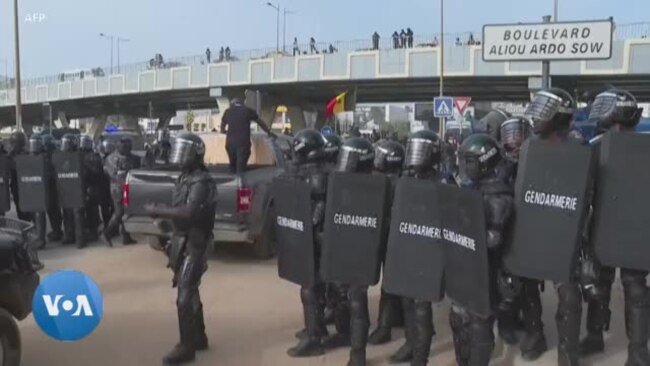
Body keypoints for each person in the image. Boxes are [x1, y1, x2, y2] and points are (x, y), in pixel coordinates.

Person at [580, 89, 650, 365]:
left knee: (633, 289)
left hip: (630, 228)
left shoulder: (604, 146)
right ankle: (600, 338)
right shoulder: (597, 145)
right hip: (610, 227)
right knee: (605, 283)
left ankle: (637, 352)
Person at [524, 88, 585, 366]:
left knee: (569, 296)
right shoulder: (530, 147)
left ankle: (567, 354)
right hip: (535, 229)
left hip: (566, 232)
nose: (537, 117)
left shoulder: (579, 148)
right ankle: (536, 335)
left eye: (544, 109)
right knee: (525, 287)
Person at [144, 133, 216, 364]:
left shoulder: (201, 181)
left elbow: (190, 213)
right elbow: (181, 212)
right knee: (191, 290)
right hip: (182, 242)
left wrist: (159, 210)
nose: (180, 156)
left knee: (184, 296)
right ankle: (199, 336)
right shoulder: (185, 177)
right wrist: (166, 225)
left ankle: (187, 346)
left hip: (196, 243)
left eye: (185, 151)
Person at [451, 133, 514, 366]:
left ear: (484, 161)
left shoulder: (498, 195)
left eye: (469, 161)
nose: (465, 166)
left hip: (490, 273)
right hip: (469, 269)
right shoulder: (475, 188)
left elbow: (492, 240)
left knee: (479, 324)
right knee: (458, 318)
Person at [495, 117, 548, 361]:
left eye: (519, 136)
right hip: (505, 235)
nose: (515, 143)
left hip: (531, 234)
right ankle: (508, 325)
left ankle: (536, 334)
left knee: (529, 288)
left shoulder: (539, 164)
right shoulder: (499, 167)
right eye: (510, 137)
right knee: (505, 286)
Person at [389, 129, 444, 365]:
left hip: (428, 251)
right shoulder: (406, 179)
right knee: (406, 300)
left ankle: (420, 358)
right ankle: (411, 343)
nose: (415, 155)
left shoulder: (443, 182)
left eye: (421, 150)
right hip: (407, 246)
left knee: (421, 307)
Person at [331, 137, 376, 366]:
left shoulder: (376, 188)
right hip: (343, 250)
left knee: (358, 301)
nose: (345, 162)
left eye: (350, 158)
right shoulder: (340, 184)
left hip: (363, 253)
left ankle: (358, 354)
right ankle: (345, 336)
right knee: (342, 297)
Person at [285, 129, 330, 358]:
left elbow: (319, 208)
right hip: (313, 235)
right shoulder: (312, 170)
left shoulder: (318, 174)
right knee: (313, 287)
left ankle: (314, 338)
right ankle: (316, 327)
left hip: (316, 237)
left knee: (309, 287)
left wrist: (307, 229)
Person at [367, 140, 405, 346]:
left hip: (389, 235)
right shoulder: (401, 180)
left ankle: (385, 327)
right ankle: (395, 319)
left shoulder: (388, 182)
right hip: (389, 234)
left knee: (389, 283)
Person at [220, 98, 276, 174]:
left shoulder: (228, 111)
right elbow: (260, 122)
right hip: (243, 142)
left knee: (232, 164)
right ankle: (240, 181)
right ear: (243, 103)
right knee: (241, 166)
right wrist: (268, 132)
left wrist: (222, 131)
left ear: (232, 104)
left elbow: (223, 123)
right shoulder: (248, 110)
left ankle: (231, 181)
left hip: (230, 143)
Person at [103, 137, 140, 246]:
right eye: (125, 147)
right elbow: (115, 175)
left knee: (126, 211)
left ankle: (126, 236)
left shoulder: (132, 158)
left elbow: (136, 171)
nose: (127, 149)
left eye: (129, 147)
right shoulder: (111, 159)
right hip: (118, 188)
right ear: (118, 147)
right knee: (119, 212)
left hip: (128, 187)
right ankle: (107, 233)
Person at [59, 134, 87, 249]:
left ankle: (76, 238)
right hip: (69, 190)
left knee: (74, 214)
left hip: (72, 190)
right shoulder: (62, 157)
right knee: (70, 214)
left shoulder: (79, 156)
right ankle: (72, 237)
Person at [80, 135, 104, 242]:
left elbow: (97, 172)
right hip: (83, 186)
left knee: (92, 210)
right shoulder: (78, 155)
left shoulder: (94, 156)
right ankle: (87, 231)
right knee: (84, 211)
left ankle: (93, 232)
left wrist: (86, 164)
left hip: (92, 186)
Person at [41, 134, 63, 242]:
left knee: (53, 210)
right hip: (52, 186)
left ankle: (57, 231)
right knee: (53, 210)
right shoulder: (51, 154)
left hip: (53, 186)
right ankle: (57, 230)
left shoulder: (53, 155)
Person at [26, 135, 47, 249]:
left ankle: (40, 239)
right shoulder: (27, 158)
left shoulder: (43, 157)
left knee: (39, 215)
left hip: (40, 190)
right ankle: (37, 237)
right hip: (30, 189)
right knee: (34, 215)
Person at [7, 131, 32, 221]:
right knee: (21, 208)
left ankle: (26, 224)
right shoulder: (11, 156)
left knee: (25, 209)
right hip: (18, 185)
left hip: (24, 185)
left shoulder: (25, 154)